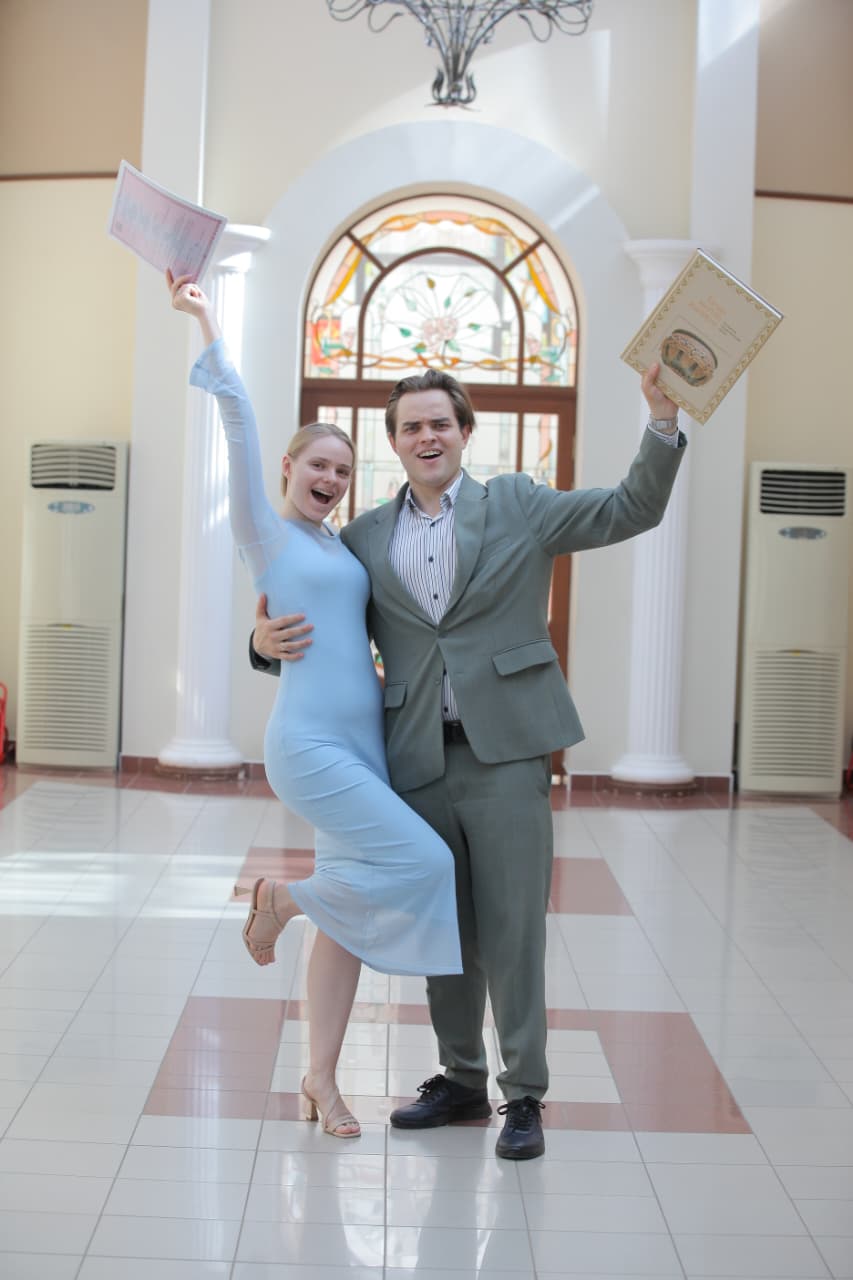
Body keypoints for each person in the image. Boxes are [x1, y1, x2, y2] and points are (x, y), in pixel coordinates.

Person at [251, 358, 685, 1160]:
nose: (427, 436)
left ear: (463, 433)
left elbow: (631, 507)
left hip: (507, 750)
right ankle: (459, 1078)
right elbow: (325, 625)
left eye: (439, 424)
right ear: (393, 441)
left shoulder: (517, 504)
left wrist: (660, 421)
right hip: (413, 752)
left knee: (513, 929)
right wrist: (259, 642)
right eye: (411, 426)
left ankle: (523, 1095)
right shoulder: (363, 538)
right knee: (441, 924)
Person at [166, 271, 463, 1141]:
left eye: (341, 469)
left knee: (349, 920)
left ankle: (320, 1082)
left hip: (364, 745)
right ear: (287, 470)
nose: (328, 477)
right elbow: (236, 418)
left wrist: (265, 639)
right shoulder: (265, 534)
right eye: (315, 465)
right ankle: (281, 899)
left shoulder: (343, 546)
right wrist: (205, 318)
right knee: (425, 862)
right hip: (308, 745)